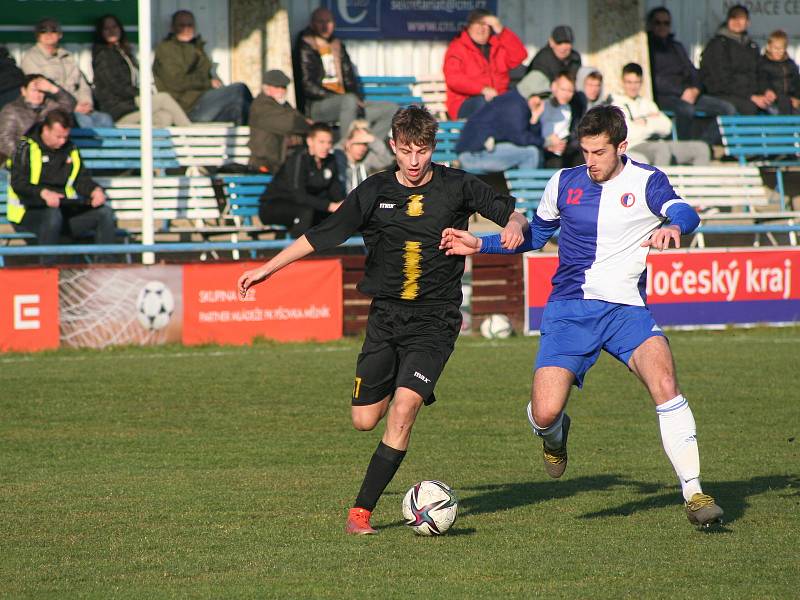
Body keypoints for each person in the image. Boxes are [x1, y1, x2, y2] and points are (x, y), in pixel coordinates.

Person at [238, 106, 528, 535]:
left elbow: (512, 214)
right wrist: (267, 268)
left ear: (433, 148)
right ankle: (399, 379)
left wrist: (515, 228)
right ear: (392, 146)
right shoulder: (373, 191)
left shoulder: (458, 185)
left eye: (423, 151)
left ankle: (361, 513)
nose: (414, 162)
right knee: (364, 420)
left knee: (404, 409)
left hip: (435, 321)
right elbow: (321, 235)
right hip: (386, 320)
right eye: (406, 151)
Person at [439, 105, 724, 529]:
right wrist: (481, 245)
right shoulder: (564, 182)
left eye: (599, 152)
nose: (589, 161)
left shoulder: (647, 181)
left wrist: (674, 228)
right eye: (585, 151)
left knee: (665, 382)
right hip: (570, 310)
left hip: (626, 310)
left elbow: (684, 211)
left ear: (621, 146)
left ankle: (694, 492)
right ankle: (554, 436)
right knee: (546, 411)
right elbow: (534, 235)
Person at [8, 109, 115, 265]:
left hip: (64, 210)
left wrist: (95, 190)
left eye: (66, 136)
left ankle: (106, 268)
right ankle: (48, 269)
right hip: (28, 213)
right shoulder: (25, 148)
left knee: (104, 213)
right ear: (46, 130)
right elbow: (18, 184)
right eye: (58, 136)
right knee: (52, 214)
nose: (63, 141)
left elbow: (80, 179)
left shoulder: (70, 149)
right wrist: (43, 193)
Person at [294, 8, 395, 140]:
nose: (325, 26)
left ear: (334, 24)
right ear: (312, 24)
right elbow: (307, 85)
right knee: (349, 100)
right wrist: (341, 98)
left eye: (328, 21)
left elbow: (350, 80)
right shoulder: (305, 44)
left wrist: (356, 99)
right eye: (320, 22)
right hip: (318, 105)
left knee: (391, 109)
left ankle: (365, 147)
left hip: (347, 104)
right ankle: (345, 151)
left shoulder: (337, 45)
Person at [646, 6, 734, 142]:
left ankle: (702, 144)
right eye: (658, 23)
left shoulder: (676, 47)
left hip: (690, 94)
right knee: (686, 110)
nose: (662, 26)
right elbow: (654, 79)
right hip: (666, 96)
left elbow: (693, 71)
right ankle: (684, 148)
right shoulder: (647, 48)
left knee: (728, 109)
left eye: (666, 23)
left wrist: (696, 89)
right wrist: (682, 91)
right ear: (651, 25)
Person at [153, 10, 252, 125]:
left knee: (239, 107)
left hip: (203, 101)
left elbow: (206, 73)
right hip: (187, 107)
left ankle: (260, 134)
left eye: (190, 25)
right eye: (181, 25)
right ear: (173, 27)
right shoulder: (167, 49)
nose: (186, 29)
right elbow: (176, 82)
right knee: (239, 89)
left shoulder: (196, 46)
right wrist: (208, 83)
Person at [92, 14, 191, 127]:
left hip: (130, 104)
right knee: (164, 98)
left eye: (114, 27)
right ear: (101, 32)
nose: (111, 31)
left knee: (165, 116)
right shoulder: (103, 55)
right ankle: (192, 134)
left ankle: (141, 139)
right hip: (119, 108)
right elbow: (116, 86)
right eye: (106, 28)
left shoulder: (123, 52)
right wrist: (141, 93)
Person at [21, 18, 114, 130]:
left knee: (105, 119)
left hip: (79, 108)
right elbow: (38, 91)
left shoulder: (67, 57)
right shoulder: (31, 58)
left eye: (53, 30)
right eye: (43, 31)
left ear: (60, 34)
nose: (49, 34)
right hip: (53, 110)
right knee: (84, 121)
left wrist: (86, 103)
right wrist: (73, 106)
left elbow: (82, 85)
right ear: (37, 35)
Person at [611, 63, 709, 166]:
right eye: (629, 82)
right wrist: (653, 121)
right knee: (662, 150)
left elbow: (667, 127)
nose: (633, 86)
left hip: (659, 143)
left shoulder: (647, 103)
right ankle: (660, 182)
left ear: (641, 82)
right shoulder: (617, 105)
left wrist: (646, 121)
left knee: (702, 149)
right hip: (635, 146)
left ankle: (694, 182)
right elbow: (630, 134)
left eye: (636, 82)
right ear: (622, 82)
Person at [258, 122, 344, 237]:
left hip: (306, 206)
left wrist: (344, 205)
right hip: (274, 205)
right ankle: (298, 252)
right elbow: (299, 196)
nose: (326, 146)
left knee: (342, 215)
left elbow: (335, 190)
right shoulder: (298, 159)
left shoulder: (330, 160)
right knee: (307, 212)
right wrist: (329, 206)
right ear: (310, 141)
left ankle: (348, 252)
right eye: (321, 142)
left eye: (329, 142)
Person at [454, 69, 548, 173]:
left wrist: (534, 119)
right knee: (531, 153)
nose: (541, 101)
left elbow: (525, 138)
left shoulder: (517, 101)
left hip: (481, 152)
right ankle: (525, 188)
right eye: (540, 96)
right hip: (473, 156)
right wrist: (546, 142)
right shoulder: (515, 105)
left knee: (533, 151)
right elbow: (520, 138)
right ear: (530, 92)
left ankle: (523, 187)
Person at [443, 8, 527, 119]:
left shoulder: (498, 46)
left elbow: (520, 55)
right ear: (469, 27)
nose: (481, 29)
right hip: (465, 102)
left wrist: (502, 31)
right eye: (478, 24)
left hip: (497, 99)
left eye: (486, 25)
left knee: (520, 104)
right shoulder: (457, 48)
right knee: (483, 104)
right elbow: (454, 79)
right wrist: (482, 89)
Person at [700, 4, 775, 115]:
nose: (737, 22)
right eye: (733, 18)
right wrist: (750, 96)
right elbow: (721, 81)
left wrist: (767, 90)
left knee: (778, 106)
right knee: (750, 108)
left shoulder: (752, 46)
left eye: (741, 18)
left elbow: (760, 73)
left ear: (748, 22)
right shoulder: (718, 45)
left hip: (748, 95)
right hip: (722, 94)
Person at [0, 74, 76, 165]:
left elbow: (70, 105)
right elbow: (5, 140)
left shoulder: (50, 107)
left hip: (47, 159)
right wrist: (26, 155)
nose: (37, 95)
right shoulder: (12, 110)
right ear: (24, 91)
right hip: (18, 161)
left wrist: (53, 89)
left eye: (41, 91)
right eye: (33, 91)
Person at [248, 69, 312, 173]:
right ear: (266, 88)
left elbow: (296, 118)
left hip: (283, 164)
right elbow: (291, 123)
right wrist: (306, 123)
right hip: (265, 165)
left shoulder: (283, 106)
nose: (282, 91)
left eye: (284, 87)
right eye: (278, 87)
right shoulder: (260, 106)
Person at [334, 119, 393, 192]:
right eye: (358, 143)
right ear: (348, 142)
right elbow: (335, 151)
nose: (362, 148)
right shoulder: (339, 160)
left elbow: (387, 160)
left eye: (365, 144)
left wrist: (373, 139)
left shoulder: (366, 159)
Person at [540, 71, 582, 168]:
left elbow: (567, 135)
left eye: (570, 91)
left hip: (559, 152)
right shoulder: (543, 104)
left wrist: (562, 145)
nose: (566, 94)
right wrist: (548, 143)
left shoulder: (568, 109)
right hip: (541, 148)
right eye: (563, 89)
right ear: (554, 87)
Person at [757, 30, 800, 115]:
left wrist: (797, 99)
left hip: (790, 101)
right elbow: (761, 80)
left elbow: (797, 82)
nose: (778, 51)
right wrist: (767, 91)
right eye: (775, 48)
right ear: (769, 47)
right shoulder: (762, 63)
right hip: (772, 101)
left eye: (781, 49)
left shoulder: (790, 64)